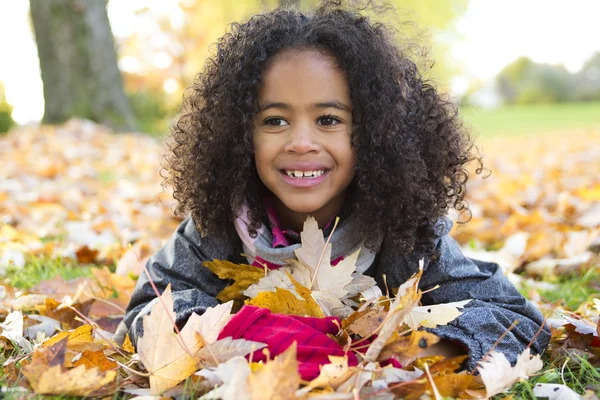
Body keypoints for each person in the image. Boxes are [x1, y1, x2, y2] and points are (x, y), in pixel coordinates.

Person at [115, 0, 550, 379]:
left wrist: (411, 352)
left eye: (328, 120)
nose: (301, 142)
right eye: (274, 121)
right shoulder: (220, 226)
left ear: (377, 134)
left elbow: (515, 321)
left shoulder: (405, 233)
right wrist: (249, 333)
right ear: (240, 135)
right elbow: (147, 309)